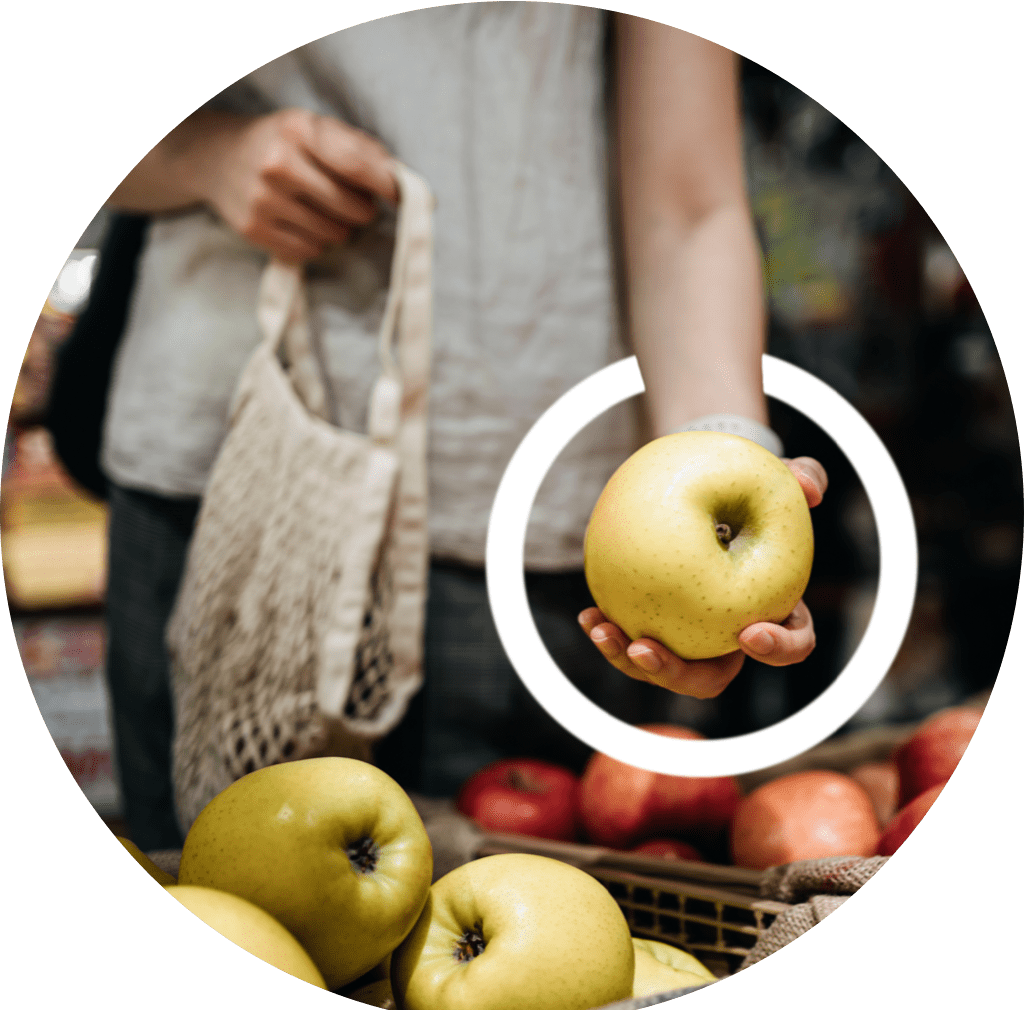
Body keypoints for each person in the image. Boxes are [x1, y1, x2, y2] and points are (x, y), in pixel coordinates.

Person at [100, 4, 825, 850]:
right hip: (232, 487)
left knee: (546, 949)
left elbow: (688, 206)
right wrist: (202, 154)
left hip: (538, 512)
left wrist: (724, 441)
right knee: (215, 902)